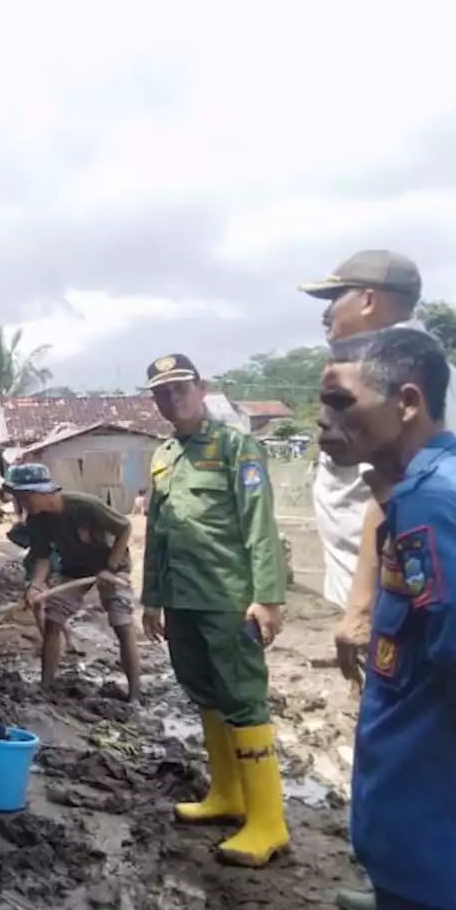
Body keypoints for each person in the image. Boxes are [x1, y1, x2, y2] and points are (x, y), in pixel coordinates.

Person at [300, 250, 456, 910]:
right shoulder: (413, 498)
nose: (323, 420)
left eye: (341, 402)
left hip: (444, 853)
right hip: (417, 835)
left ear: (407, 403)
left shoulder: (437, 507)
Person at [140, 353, 289, 869]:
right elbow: (157, 533)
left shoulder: (234, 446)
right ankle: (228, 794)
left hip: (228, 598)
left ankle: (268, 821)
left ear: (202, 389)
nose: (172, 399)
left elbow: (259, 525)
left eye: (180, 388)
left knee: (243, 699)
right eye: (161, 392)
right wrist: (150, 598)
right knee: (203, 693)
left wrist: (267, 596)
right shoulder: (162, 457)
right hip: (181, 600)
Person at [4, 464, 142, 702]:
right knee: (53, 620)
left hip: (112, 567)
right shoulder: (37, 521)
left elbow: (124, 527)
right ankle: (45, 687)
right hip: (75, 570)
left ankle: (135, 696)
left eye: (24, 498)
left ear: (42, 492)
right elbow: (43, 557)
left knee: (122, 624)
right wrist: (36, 586)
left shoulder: (84, 505)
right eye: (18, 499)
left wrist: (110, 569)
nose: (22, 504)